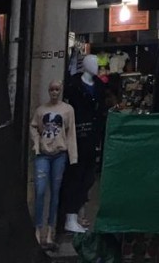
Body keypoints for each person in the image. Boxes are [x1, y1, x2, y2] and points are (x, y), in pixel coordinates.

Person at [30, 80, 78, 249]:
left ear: (61, 90)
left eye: (57, 89)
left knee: (55, 193)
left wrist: (73, 156)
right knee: (41, 191)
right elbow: (34, 126)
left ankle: (50, 232)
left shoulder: (67, 110)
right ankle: (37, 231)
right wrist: (36, 144)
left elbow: (71, 133)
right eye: (51, 89)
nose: (54, 92)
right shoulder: (41, 110)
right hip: (43, 154)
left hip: (60, 154)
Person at [63, 54, 107, 234]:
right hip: (77, 137)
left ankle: (78, 214)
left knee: (88, 178)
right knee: (76, 175)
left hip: (92, 137)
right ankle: (70, 217)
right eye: (93, 62)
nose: (96, 65)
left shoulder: (99, 87)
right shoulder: (74, 87)